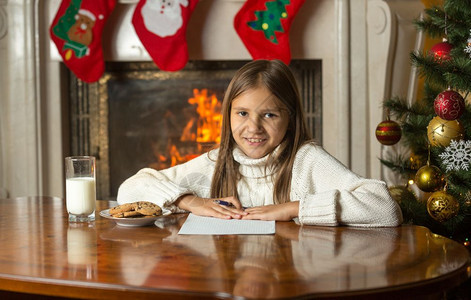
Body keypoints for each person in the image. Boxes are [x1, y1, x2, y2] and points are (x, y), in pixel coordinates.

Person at [117, 59, 403, 227]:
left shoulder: (305, 161)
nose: (253, 127)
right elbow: (129, 189)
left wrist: (293, 208)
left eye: (268, 114)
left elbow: (384, 208)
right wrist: (192, 201)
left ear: (289, 117)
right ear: (228, 114)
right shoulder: (215, 163)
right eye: (242, 113)